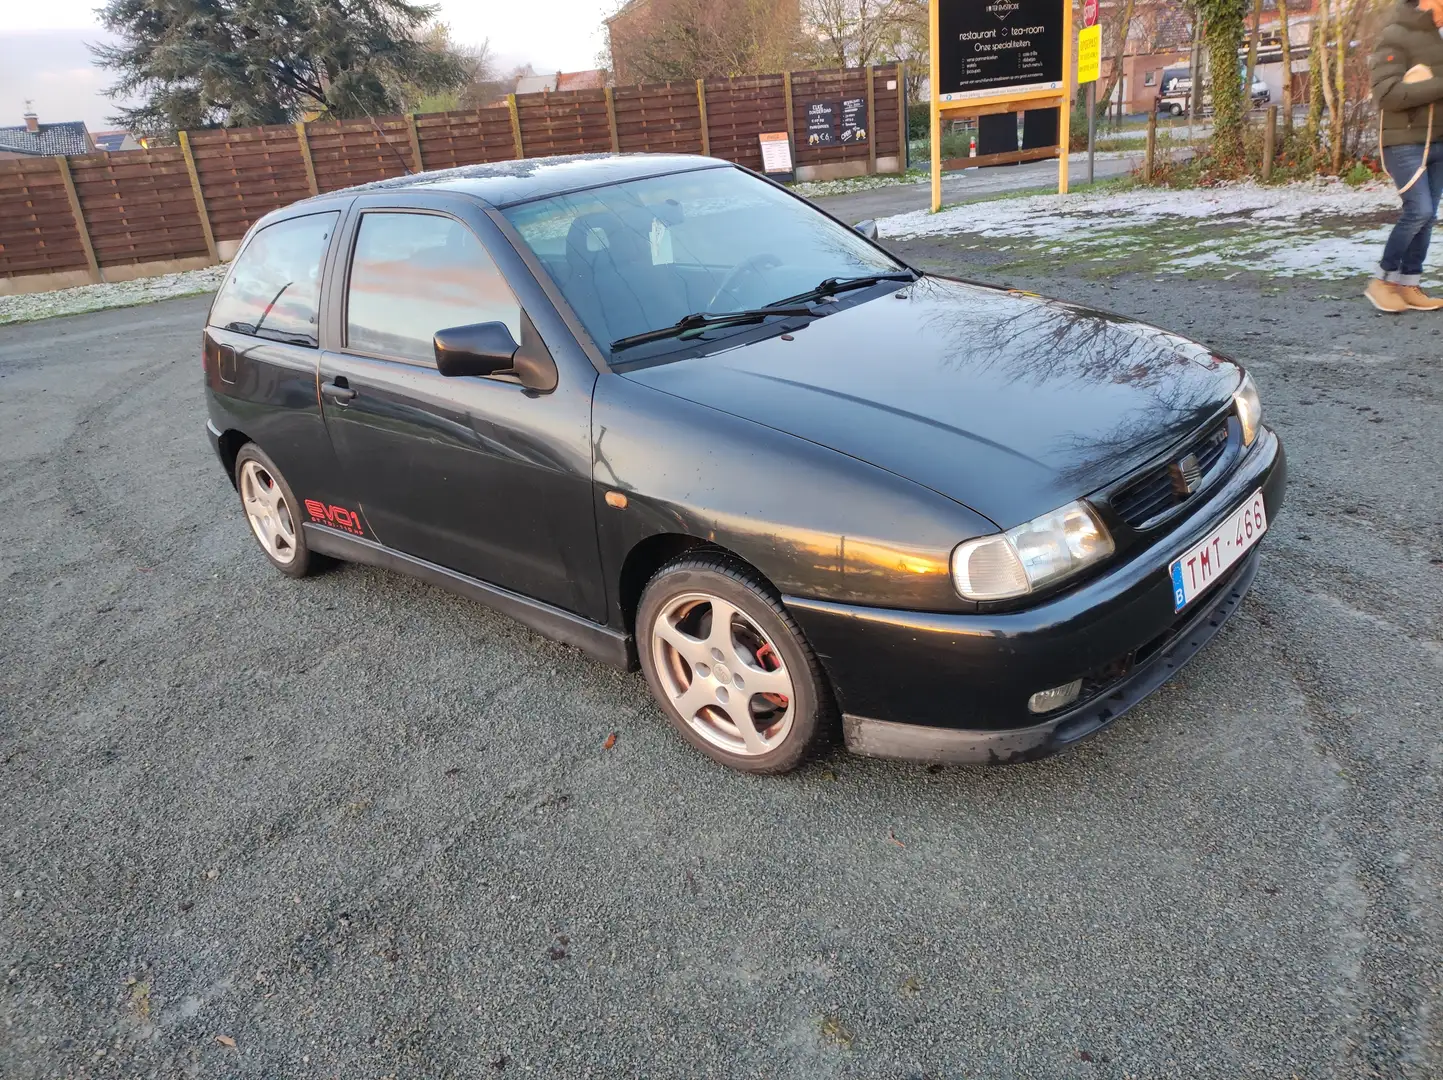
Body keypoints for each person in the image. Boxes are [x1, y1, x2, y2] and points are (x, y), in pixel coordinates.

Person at [1366, 0, 1443, 312]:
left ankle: (1408, 283)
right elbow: (1386, 93)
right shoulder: (1396, 33)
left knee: (1428, 216)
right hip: (1404, 141)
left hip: (1438, 140)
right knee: (1419, 210)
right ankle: (1382, 281)